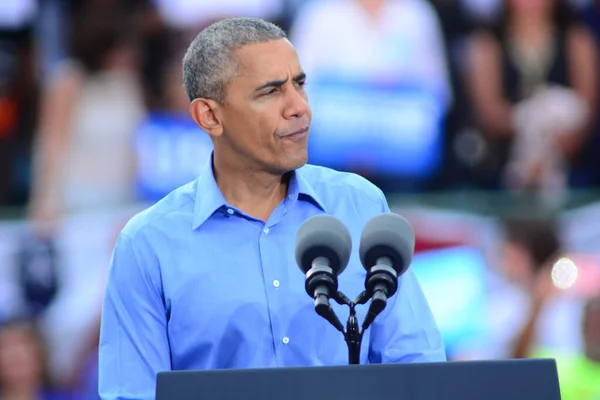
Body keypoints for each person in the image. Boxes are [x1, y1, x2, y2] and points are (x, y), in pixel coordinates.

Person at [98, 17, 445, 400]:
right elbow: (132, 393)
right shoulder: (147, 244)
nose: (299, 108)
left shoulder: (359, 203)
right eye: (270, 92)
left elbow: (417, 366)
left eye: (300, 84)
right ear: (209, 116)